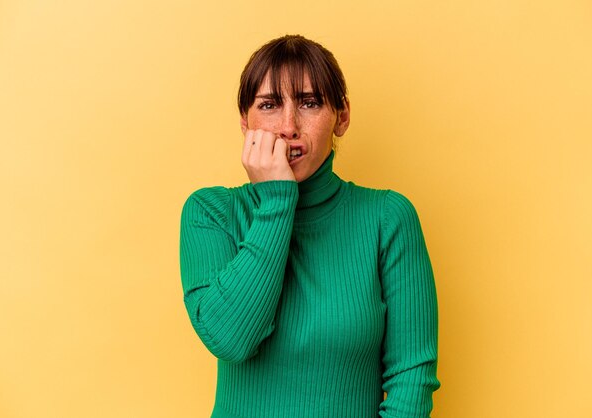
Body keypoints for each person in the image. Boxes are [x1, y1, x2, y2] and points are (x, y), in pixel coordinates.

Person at [179, 34, 440, 418]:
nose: (288, 126)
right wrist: (278, 199)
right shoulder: (210, 212)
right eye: (269, 105)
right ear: (244, 121)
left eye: (309, 102)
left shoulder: (387, 218)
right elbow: (231, 339)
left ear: (342, 116)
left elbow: (412, 381)